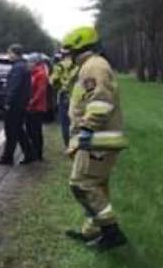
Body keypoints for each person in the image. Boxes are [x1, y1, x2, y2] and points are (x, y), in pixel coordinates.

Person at [62, 25, 129, 251]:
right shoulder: (92, 65)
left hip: (98, 139)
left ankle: (112, 233)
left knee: (81, 184)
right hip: (102, 138)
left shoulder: (92, 67)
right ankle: (92, 230)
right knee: (97, 186)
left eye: (69, 50)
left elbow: (100, 101)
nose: (67, 55)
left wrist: (87, 130)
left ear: (79, 47)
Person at [0, 44, 36, 165]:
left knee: (11, 131)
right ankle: (30, 153)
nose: (9, 56)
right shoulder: (23, 66)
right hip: (21, 103)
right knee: (18, 130)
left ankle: (7, 157)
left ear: (15, 53)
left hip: (15, 104)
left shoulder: (18, 68)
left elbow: (14, 87)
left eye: (10, 53)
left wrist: (8, 101)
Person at [50, 48, 78, 147]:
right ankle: (77, 145)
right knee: (76, 122)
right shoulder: (79, 65)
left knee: (65, 123)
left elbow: (53, 81)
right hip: (77, 96)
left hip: (64, 96)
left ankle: (68, 146)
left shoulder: (60, 65)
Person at [25, 53, 49, 161]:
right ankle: (33, 152)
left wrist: (32, 102)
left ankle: (38, 153)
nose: (28, 64)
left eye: (29, 62)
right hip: (31, 106)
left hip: (37, 107)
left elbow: (40, 91)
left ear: (35, 63)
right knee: (30, 130)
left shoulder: (40, 74)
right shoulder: (33, 73)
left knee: (35, 131)